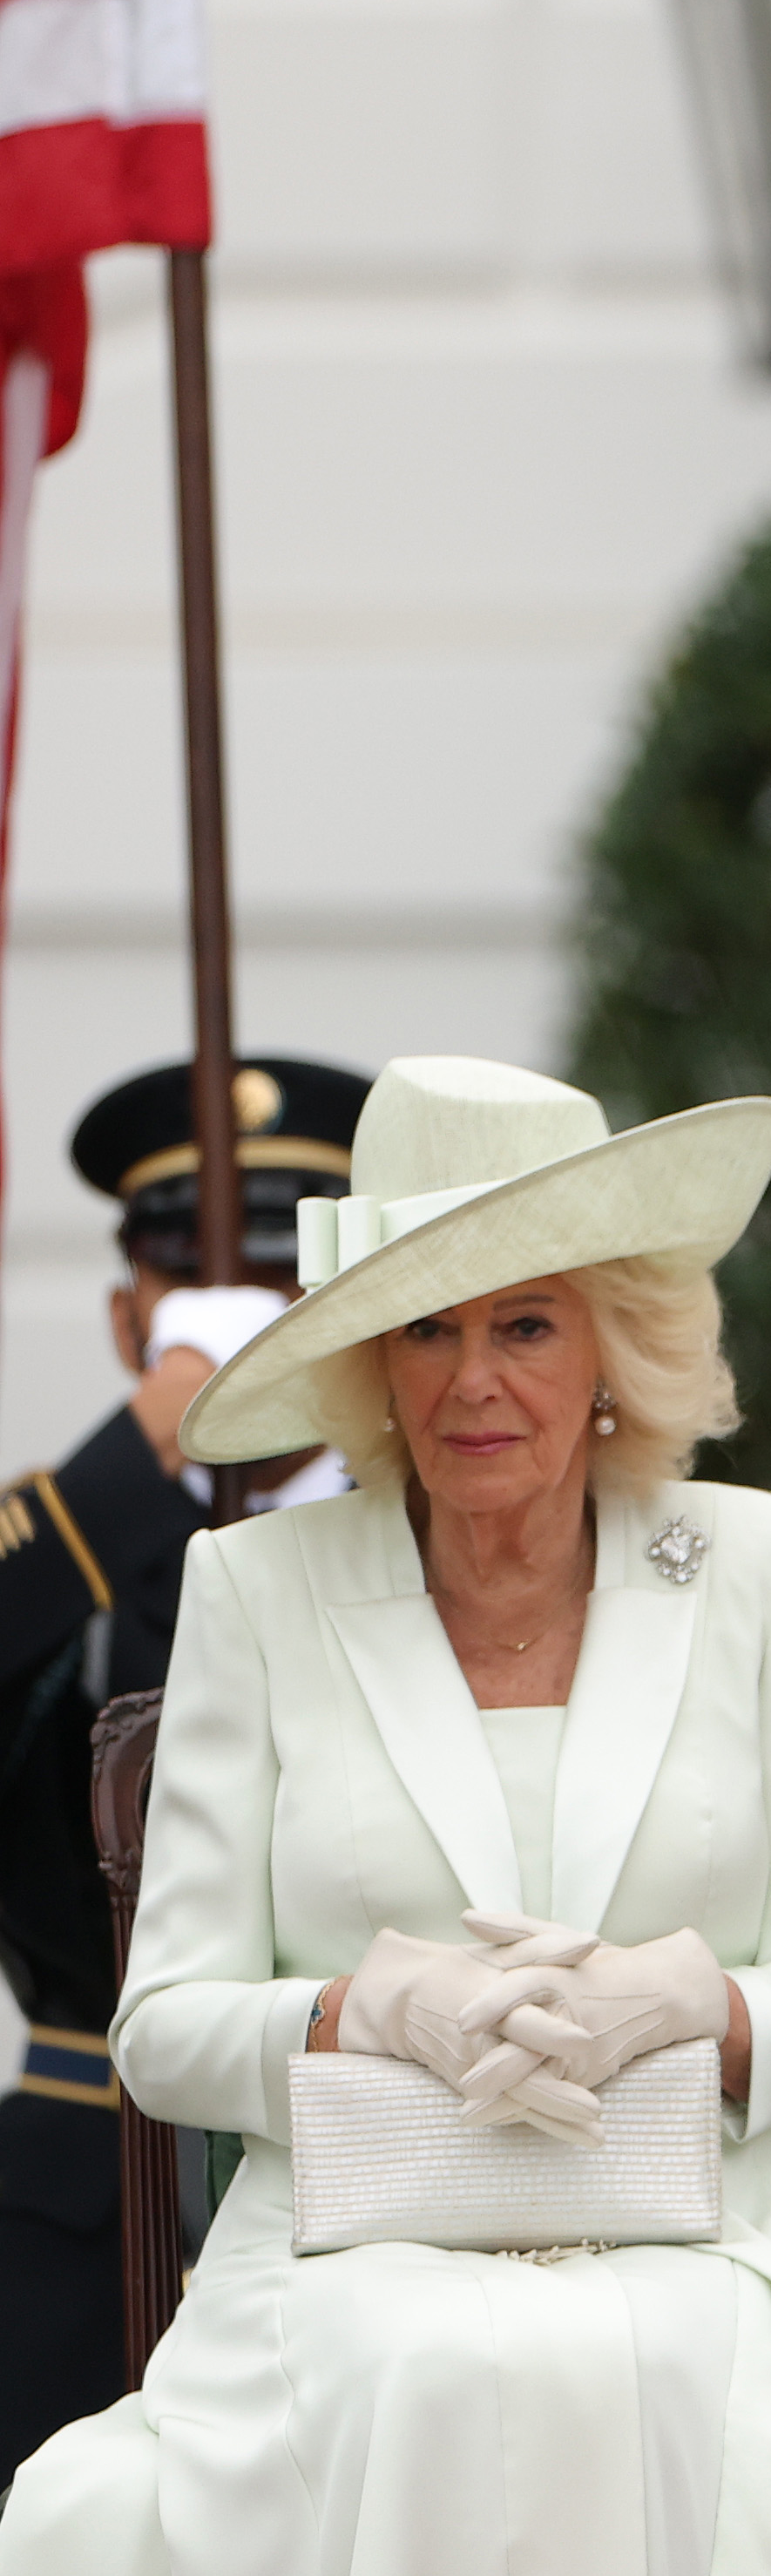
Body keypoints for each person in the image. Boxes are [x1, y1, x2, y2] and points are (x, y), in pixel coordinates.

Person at [0, 1055, 771, 2576]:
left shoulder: (761, 1569)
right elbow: (163, 2028)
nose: (478, 1383)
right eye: (428, 1329)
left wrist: (678, 2000)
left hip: (698, 2237)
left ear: (616, 1342)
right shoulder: (258, 1589)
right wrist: (358, 2010)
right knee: (428, 2367)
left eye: (527, 1324)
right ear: (371, 1366)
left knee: (632, 2379)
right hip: (342, 2248)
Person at [0, 1055, 369, 2490]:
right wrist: (158, 1437)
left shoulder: (436, 1549)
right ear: (129, 1314)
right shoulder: (62, 1554)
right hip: (85, 2207)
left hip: (366, 2200)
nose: (251, 1314)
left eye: (295, 1271)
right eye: (202, 1277)